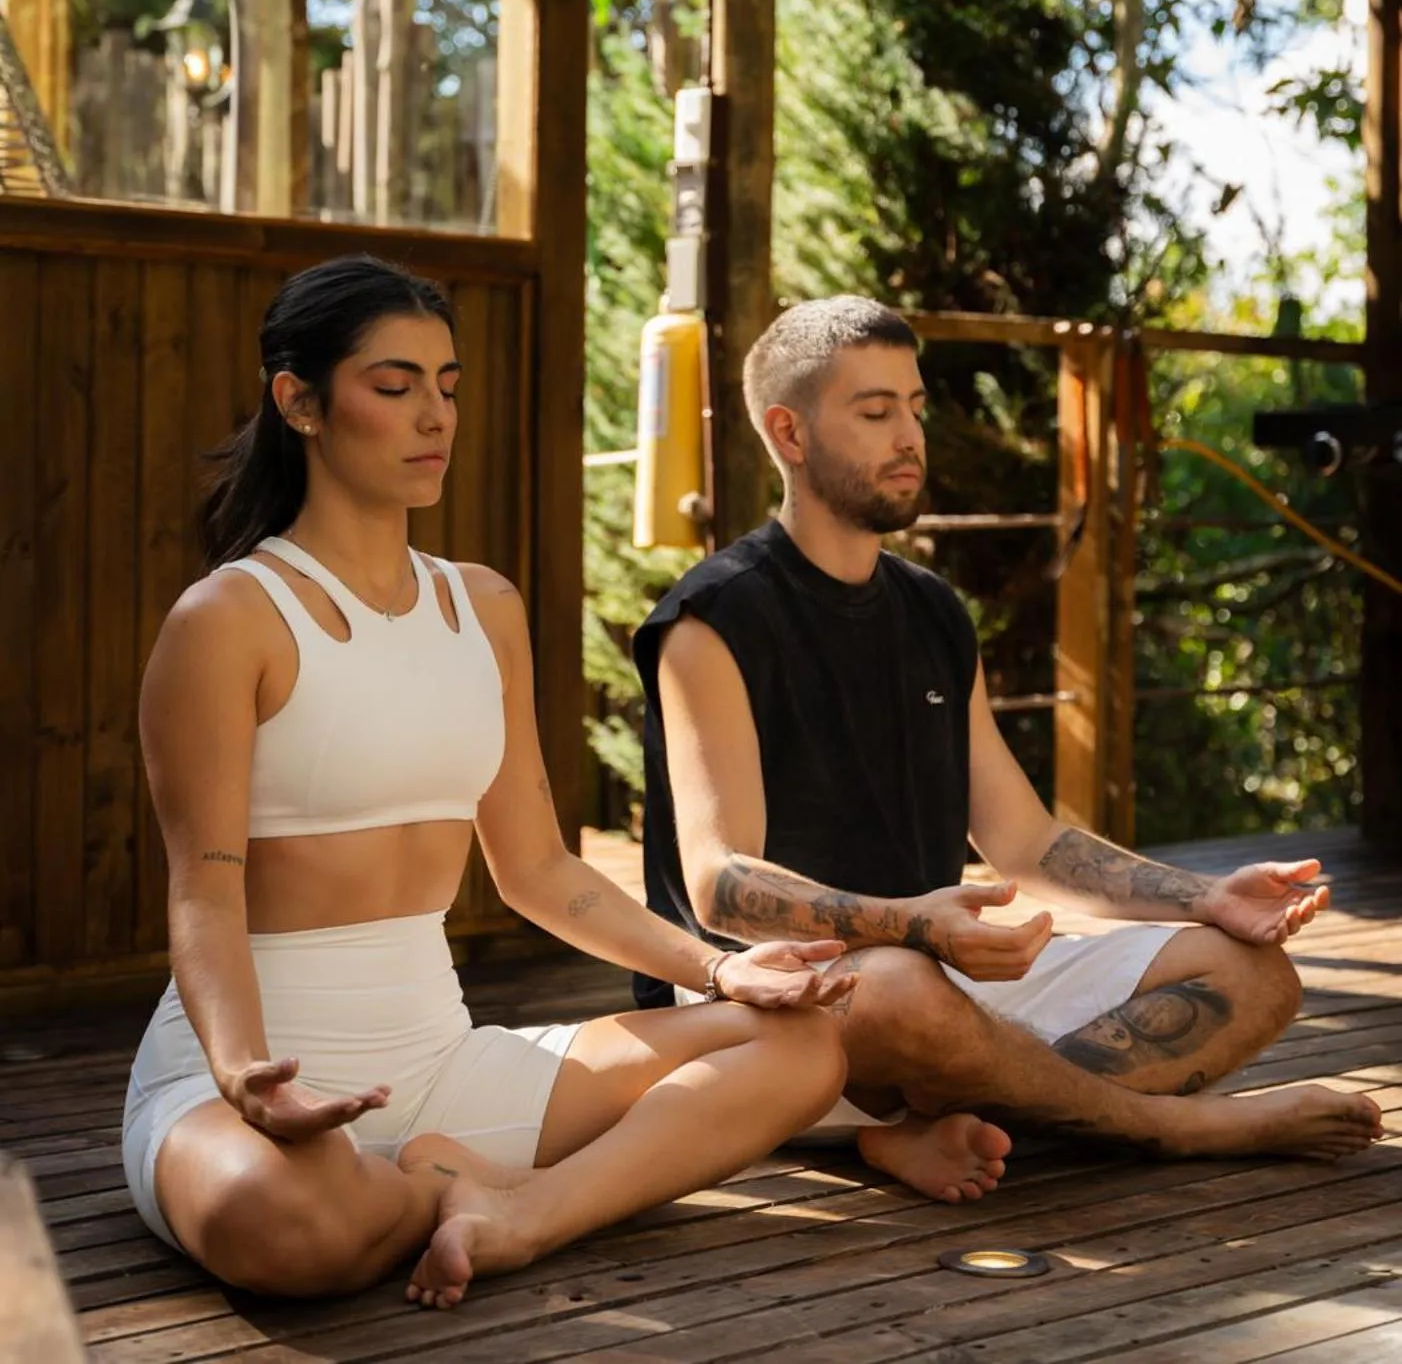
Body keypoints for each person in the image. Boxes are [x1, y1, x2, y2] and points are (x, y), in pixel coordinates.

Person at [122, 255, 852, 1312]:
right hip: (244, 1072)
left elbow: (541, 871)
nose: (435, 416)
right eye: (394, 385)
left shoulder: (482, 608)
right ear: (300, 402)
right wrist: (242, 1072)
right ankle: (448, 1186)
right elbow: (203, 892)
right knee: (273, 1220)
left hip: (442, 1065)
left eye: (448, 386)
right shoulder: (229, 620)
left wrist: (718, 969)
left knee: (800, 1046)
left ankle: (520, 1211)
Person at [633, 295, 1382, 1204]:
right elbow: (718, 886)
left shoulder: (932, 611)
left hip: (929, 978)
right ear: (788, 432)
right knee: (903, 991)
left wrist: (1208, 895)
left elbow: (1027, 842)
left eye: (915, 407)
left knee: (1251, 973)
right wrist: (914, 923)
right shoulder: (713, 620)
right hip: (768, 999)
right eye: (875, 411)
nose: (909, 436)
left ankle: (912, 1126)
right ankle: (1174, 1127)